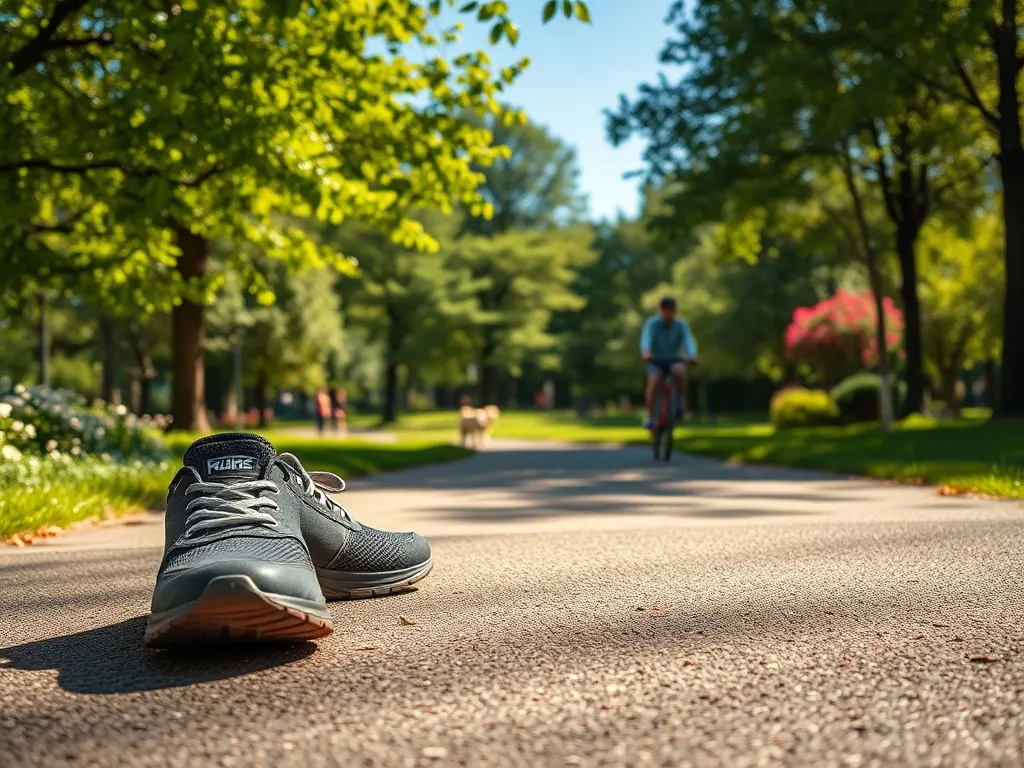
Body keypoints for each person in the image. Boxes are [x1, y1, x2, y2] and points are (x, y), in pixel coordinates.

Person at [640, 296, 698, 429]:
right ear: (659, 311)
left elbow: (689, 341)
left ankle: (679, 403)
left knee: (680, 372)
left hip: (673, 359)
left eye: (670, 310)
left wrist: (692, 355)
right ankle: (650, 415)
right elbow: (646, 338)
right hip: (655, 360)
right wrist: (646, 351)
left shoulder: (681, 326)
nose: (667, 313)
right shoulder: (652, 324)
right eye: (664, 310)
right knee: (654, 381)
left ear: (675, 311)